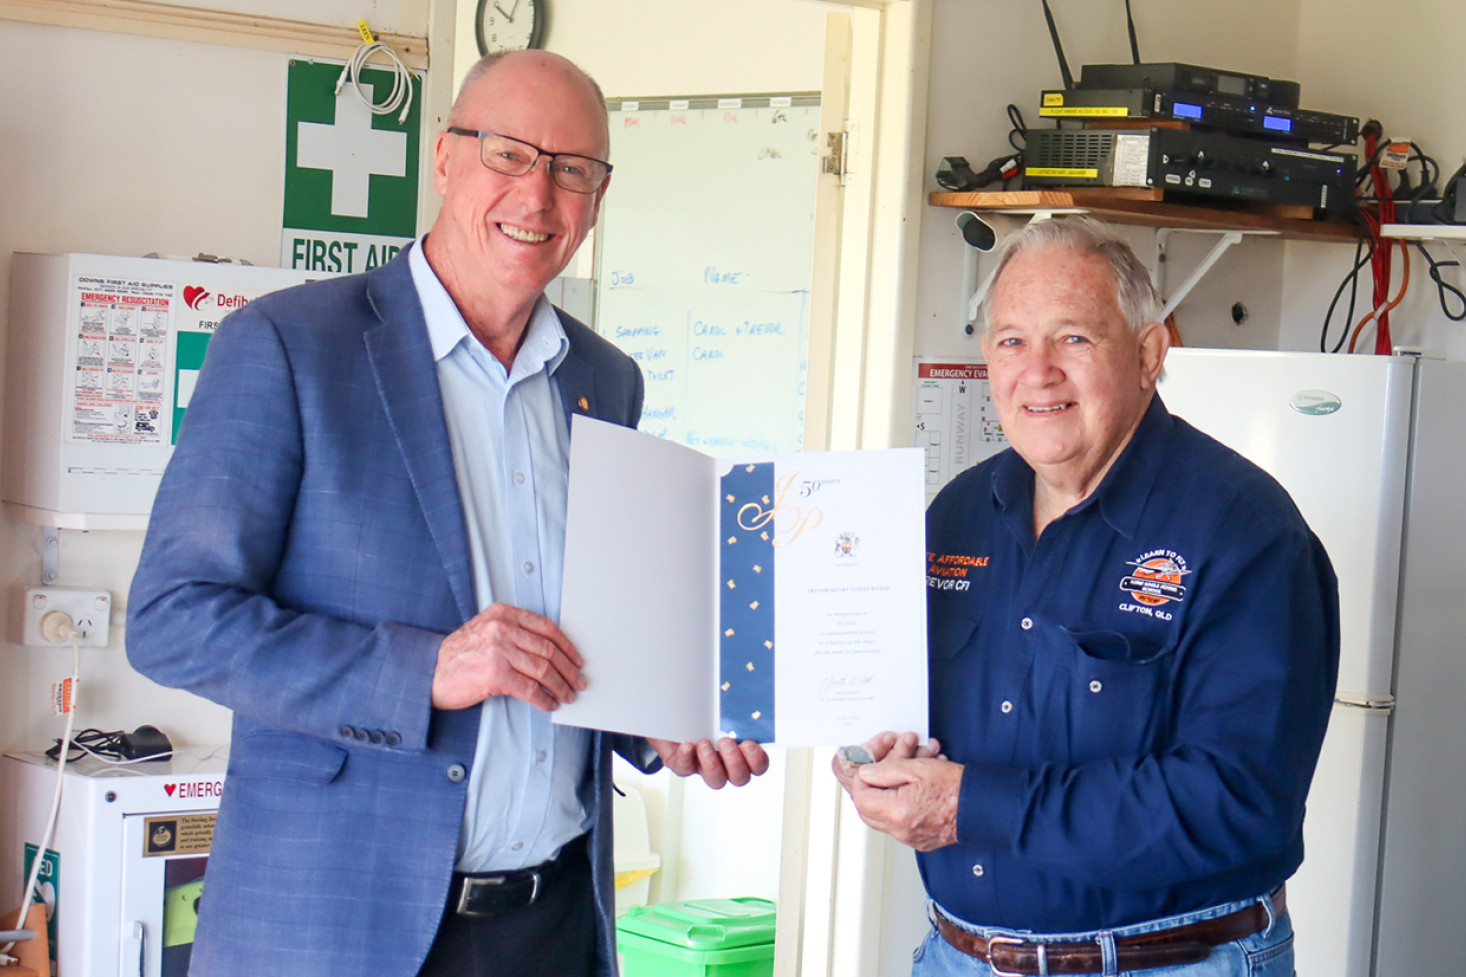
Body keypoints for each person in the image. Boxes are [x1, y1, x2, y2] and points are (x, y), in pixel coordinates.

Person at [127, 50, 767, 977]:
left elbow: (590, 637)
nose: (538, 195)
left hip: (551, 927)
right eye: (508, 153)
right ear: (443, 159)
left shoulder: (606, 382)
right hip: (334, 930)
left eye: (572, 169)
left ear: (597, 194)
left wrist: (659, 722)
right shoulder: (287, 347)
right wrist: (427, 668)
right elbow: (172, 619)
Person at [834, 216, 1338, 977]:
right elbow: (910, 713)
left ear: (1148, 353)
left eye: (1072, 337)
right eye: (1011, 340)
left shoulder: (1245, 530)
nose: (1036, 371)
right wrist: (873, 758)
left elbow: (1237, 799)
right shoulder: (958, 512)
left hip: (1171, 961)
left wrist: (969, 804)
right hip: (957, 955)